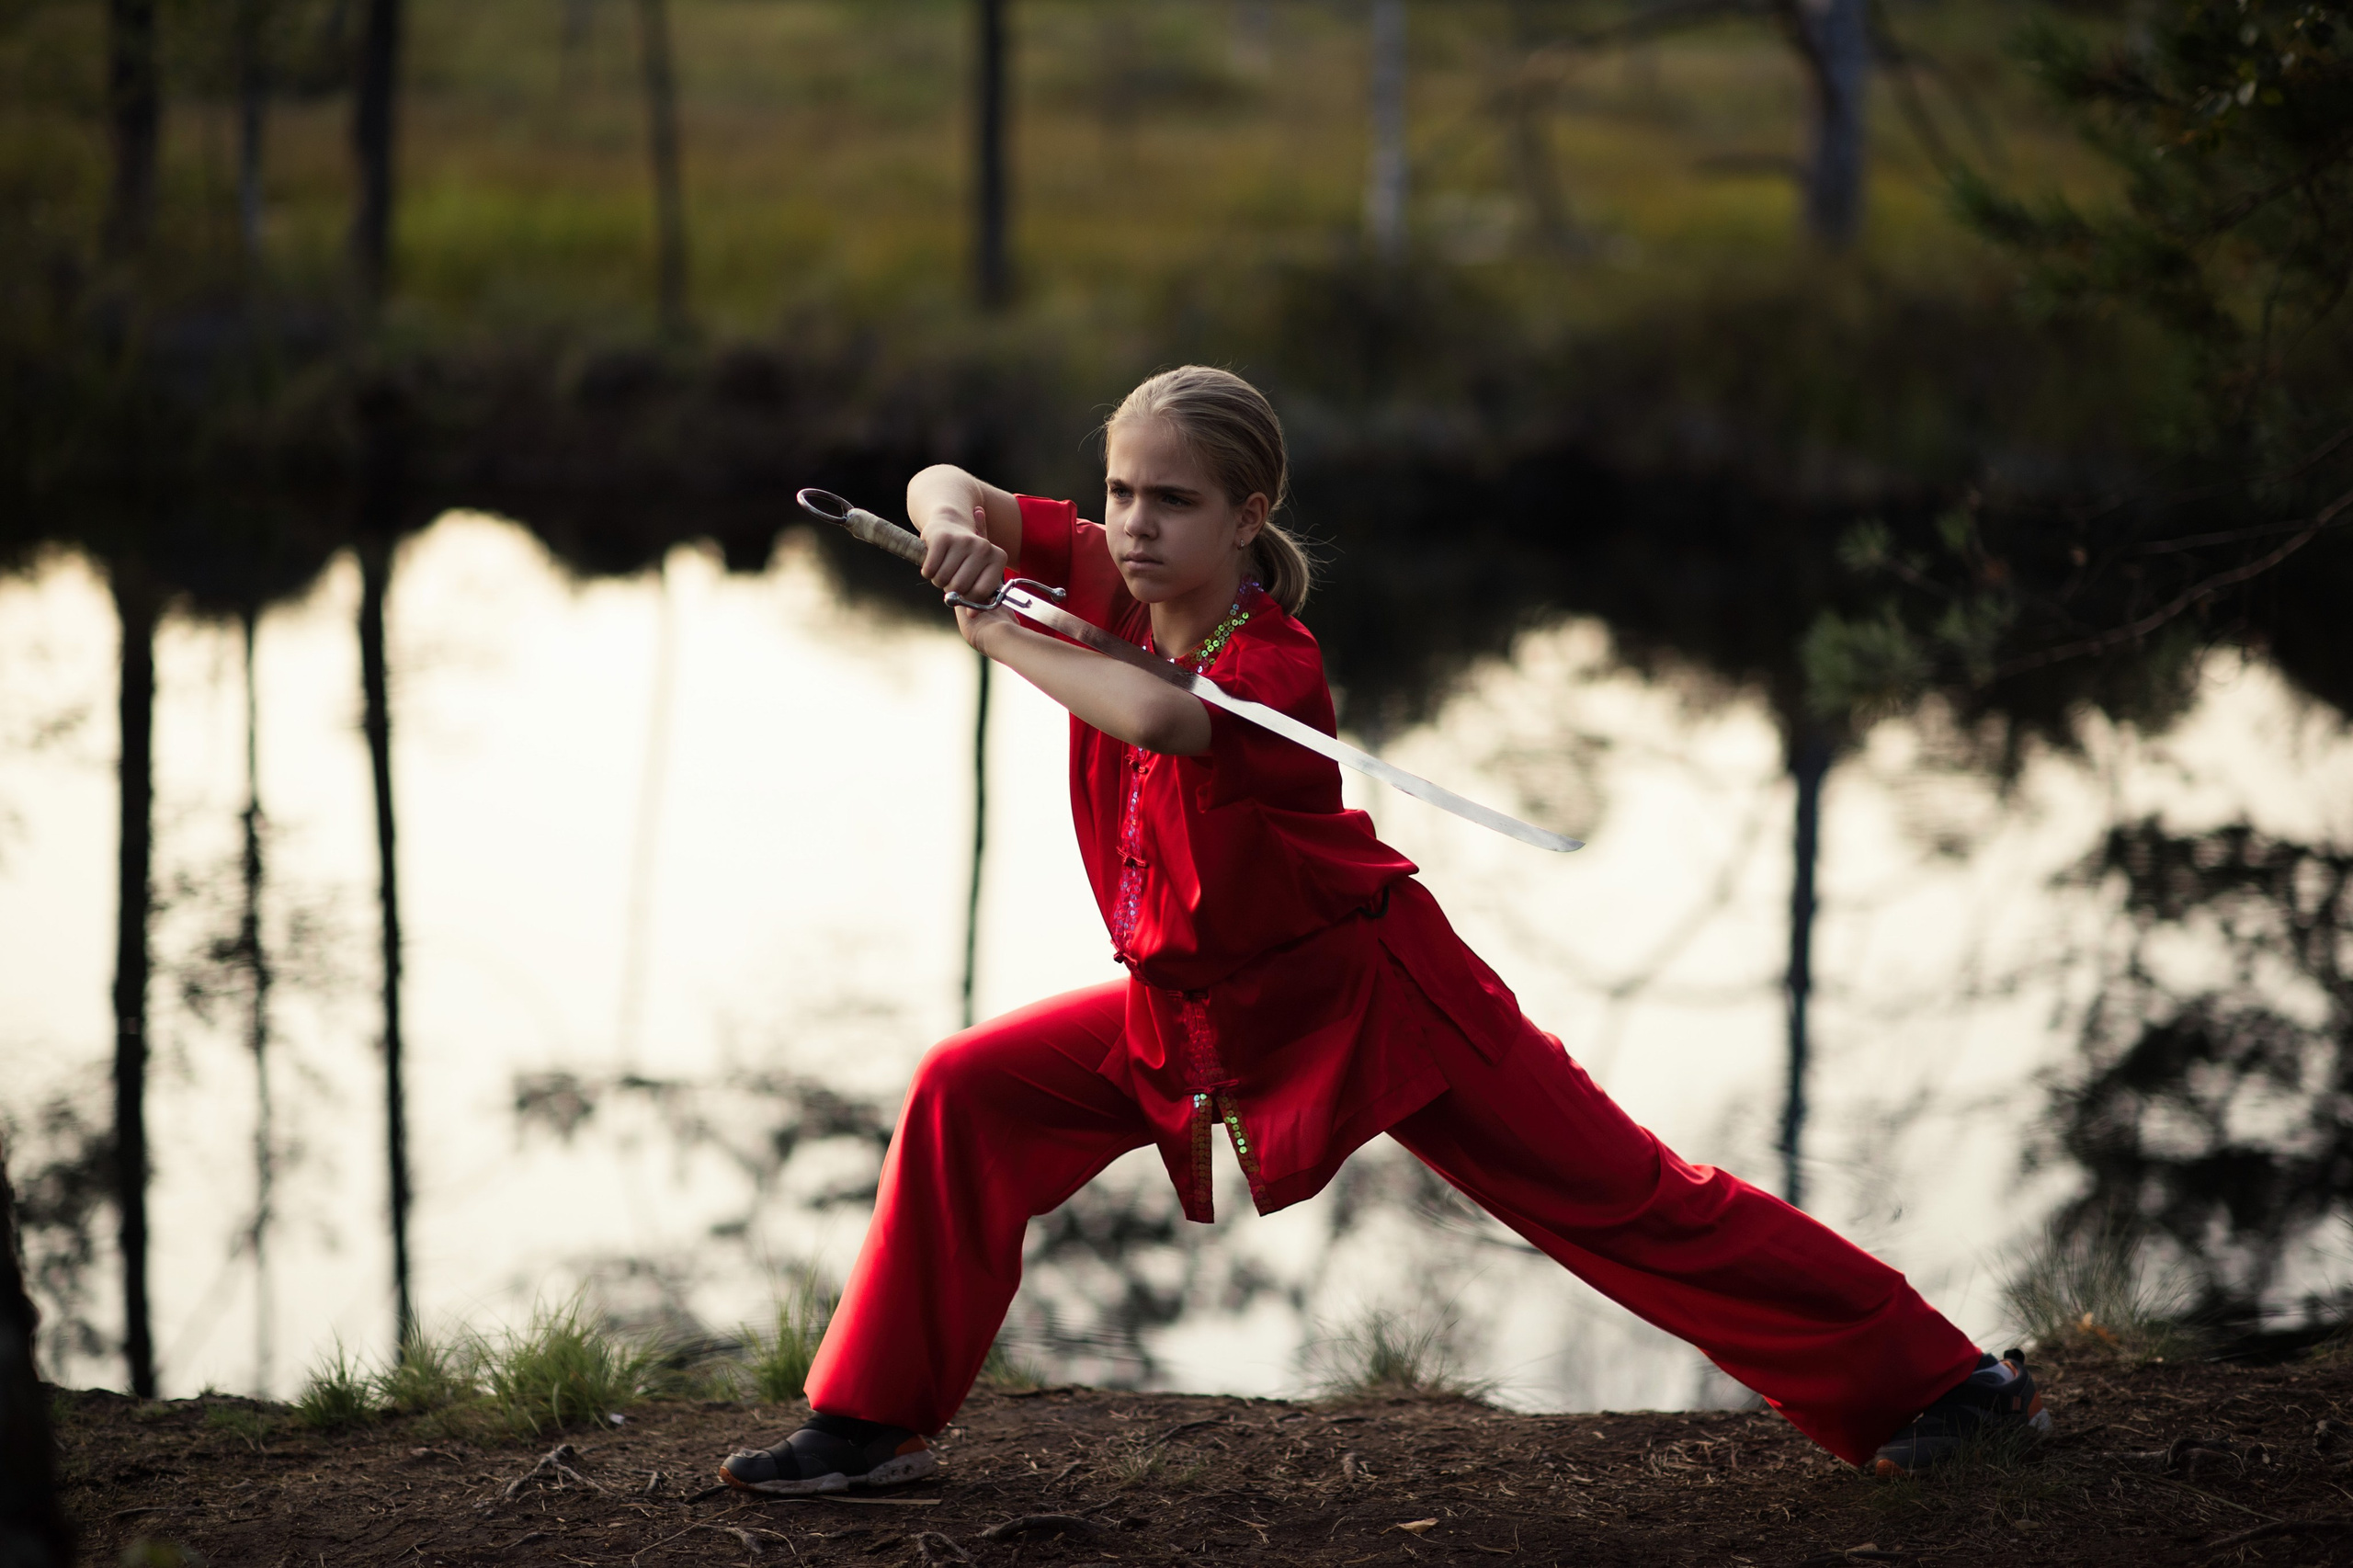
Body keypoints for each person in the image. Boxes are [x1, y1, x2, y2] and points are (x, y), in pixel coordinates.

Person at [720, 366, 2050, 1497]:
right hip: (1196, 1013)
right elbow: (943, 479)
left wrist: (996, 630)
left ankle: (1951, 1385)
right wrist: (956, 529)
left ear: (1248, 518)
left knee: (1634, 1201)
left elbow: (1165, 722)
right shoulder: (1099, 578)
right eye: (1119, 493)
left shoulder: (1270, 659)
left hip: (1377, 999)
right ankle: (867, 1422)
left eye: (1170, 502)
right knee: (970, 1090)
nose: (1132, 525)